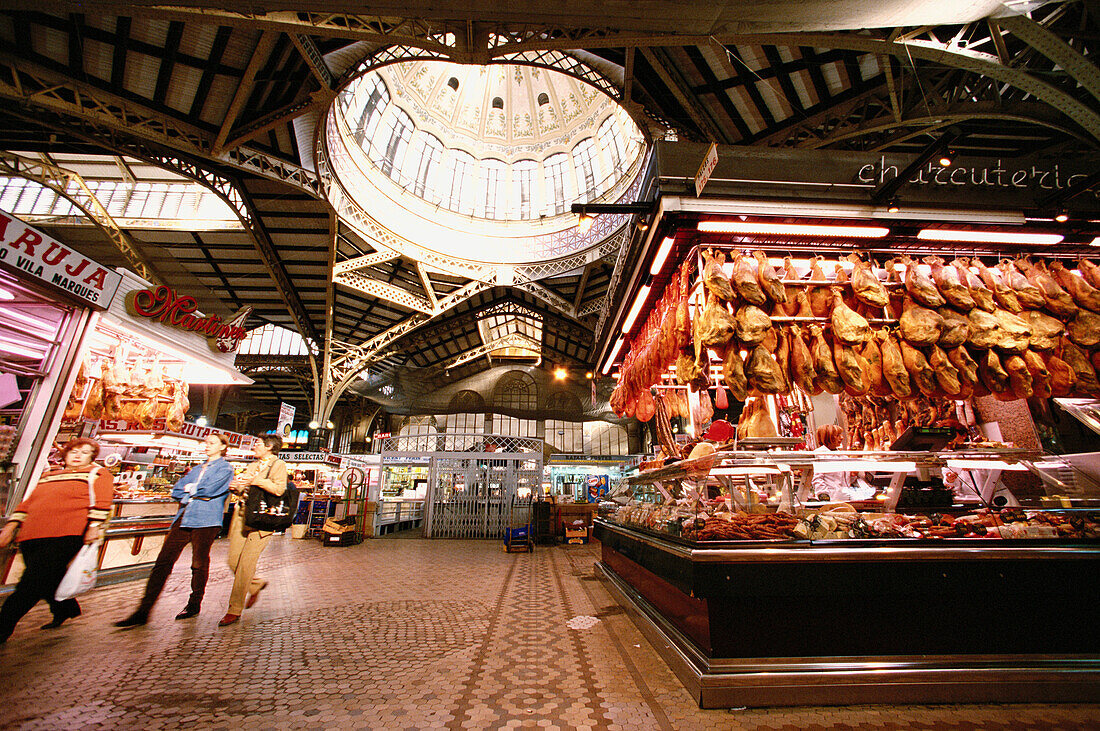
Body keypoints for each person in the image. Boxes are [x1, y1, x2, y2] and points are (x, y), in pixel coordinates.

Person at [0, 438, 114, 643]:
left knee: (30, 583)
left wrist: (94, 527)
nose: (78, 455)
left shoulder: (98, 474)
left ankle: (3, 627)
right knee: (48, 577)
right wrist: (10, 527)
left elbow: (103, 501)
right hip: (31, 535)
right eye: (74, 451)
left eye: (84, 452)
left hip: (67, 534)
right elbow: (27, 504)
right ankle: (66, 609)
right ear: (65, 454)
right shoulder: (48, 476)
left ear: (92, 457)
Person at [115, 433, 234, 627]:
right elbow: (177, 490)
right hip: (185, 516)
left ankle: (194, 603)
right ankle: (143, 610)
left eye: (212, 443)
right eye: (205, 442)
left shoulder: (225, 468)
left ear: (222, 447)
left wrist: (192, 490)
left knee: (198, 562)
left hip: (206, 520)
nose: (207, 446)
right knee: (163, 561)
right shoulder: (196, 469)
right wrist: (194, 490)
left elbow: (210, 490)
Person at [220, 434, 287, 627]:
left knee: (245, 565)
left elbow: (279, 489)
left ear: (269, 447)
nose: (254, 447)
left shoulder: (278, 465)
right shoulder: (252, 465)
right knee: (233, 560)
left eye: (258, 444)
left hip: (262, 519)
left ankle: (234, 609)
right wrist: (237, 487)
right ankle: (255, 585)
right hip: (242, 515)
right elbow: (243, 485)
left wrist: (257, 481)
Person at [810, 424, 853, 501]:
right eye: (837, 435)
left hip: (846, 498)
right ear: (828, 437)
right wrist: (824, 496)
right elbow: (817, 479)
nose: (842, 438)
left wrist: (854, 475)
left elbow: (846, 480)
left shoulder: (843, 456)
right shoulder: (819, 454)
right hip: (831, 499)